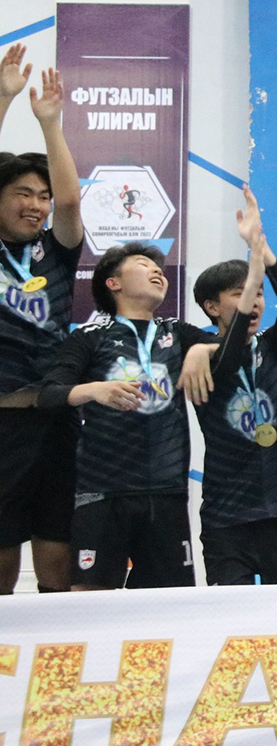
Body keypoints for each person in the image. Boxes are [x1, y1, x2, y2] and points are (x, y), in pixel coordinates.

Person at [30, 242, 222, 588]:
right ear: (113, 283)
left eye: (158, 267)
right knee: (89, 598)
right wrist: (94, 390)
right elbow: (48, 395)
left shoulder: (177, 333)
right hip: (102, 493)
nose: (157, 270)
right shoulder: (90, 337)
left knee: (169, 606)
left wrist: (202, 349)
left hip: (167, 493)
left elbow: (231, 349)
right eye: (143, 264)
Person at [0, 52, 84, 594]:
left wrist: (51, 123)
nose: (37, 205)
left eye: (41, 196)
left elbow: (71, 202)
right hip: (3, 423)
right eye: (23, 194)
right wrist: (4, 97)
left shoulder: (54, 252)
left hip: (56, 420)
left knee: (57, 558)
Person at [191, 185, 277, 585]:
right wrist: (254, 273)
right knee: (229, 616)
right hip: (227, 520)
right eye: (241, 294)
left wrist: (265, 255)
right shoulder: (199, 357)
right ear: (211, 307)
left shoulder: (271, 347)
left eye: (258, 294)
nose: (254, 302)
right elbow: (229, 356)